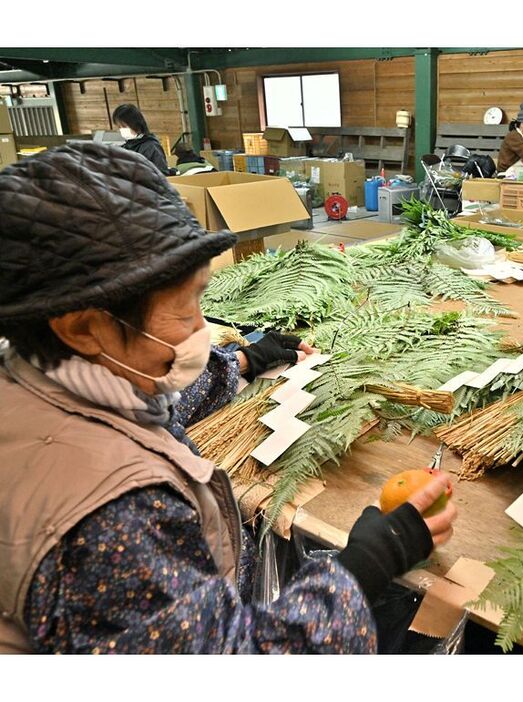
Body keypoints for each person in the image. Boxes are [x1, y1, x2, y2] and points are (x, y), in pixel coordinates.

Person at [0, 142, 457, 654]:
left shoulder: (33, 376)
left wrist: (242, 361)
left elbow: (145, 408)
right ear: (85, 328)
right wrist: (367, 567)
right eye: (185, 307)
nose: (203, 326)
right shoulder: (112, 521)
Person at [112, 103, 169, 175]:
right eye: (119, 127)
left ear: (135, 124)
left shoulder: (151, 147)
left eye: (124, 126)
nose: (121, 130)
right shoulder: (126, 147)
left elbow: (162, 174)